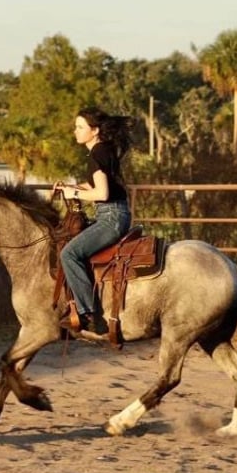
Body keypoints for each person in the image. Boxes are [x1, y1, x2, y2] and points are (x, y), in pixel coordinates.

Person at [53, 107, 133, 334]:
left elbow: (102, 194)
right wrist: (72, 187)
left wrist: (74, 194)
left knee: (68, 253)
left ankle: (88, 314)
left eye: (80, 127)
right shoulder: (103, 150)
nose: (75, 131)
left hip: (111, 218)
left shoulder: (97, 154)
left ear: (95, 130)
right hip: (116, 214)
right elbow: (94, 186)